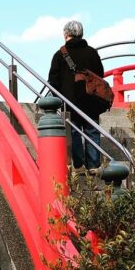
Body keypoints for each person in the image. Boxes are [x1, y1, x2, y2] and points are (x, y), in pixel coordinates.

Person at [48, 20, 104, 175]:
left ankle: (79, 166)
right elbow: (100, 74)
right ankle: (93, 166)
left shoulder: (60, 54)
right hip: (91, 100)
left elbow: (53, 80)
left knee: (74, 132)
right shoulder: (92, 53)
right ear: (81, 34)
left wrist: (59, 99)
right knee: (92, 131)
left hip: (70, 101)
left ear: (66, 34)